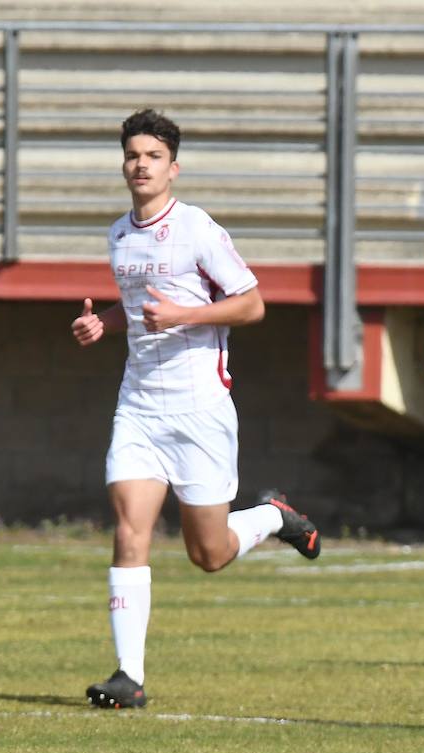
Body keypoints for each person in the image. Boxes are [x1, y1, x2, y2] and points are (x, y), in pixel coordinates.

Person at [71, 109, 321, 710]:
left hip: (199, 409)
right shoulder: (118, 234)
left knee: (207, 554)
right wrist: (99, 323)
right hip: (138, 405)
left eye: (153, 156)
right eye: (132, 154)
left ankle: (272, 517)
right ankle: (128, 678)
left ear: (173, 168)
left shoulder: (198, 230)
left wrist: (184, 316)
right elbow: (136, 307)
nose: (140, 164)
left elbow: (252, 304)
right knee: (129, 528)